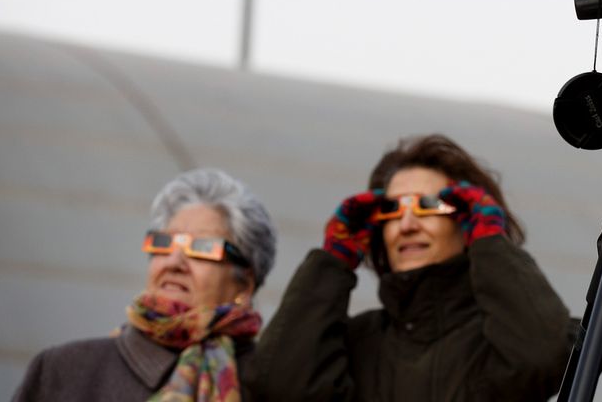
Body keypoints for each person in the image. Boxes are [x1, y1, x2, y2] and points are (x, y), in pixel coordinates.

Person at [246, 133, 574, 402]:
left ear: (469, 223)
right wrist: (333, 259)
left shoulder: (499, 338)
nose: (406, 224)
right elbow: (279, 384)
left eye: (428, 206)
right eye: (391, 209)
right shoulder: (353, 342)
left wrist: (490, 241)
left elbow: (544, 357)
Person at [13, 167, 278, 401]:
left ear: (244, 284)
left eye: (202, 248)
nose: (175, 261)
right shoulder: (65, 371)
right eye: (163, 243)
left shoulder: (273, 387)